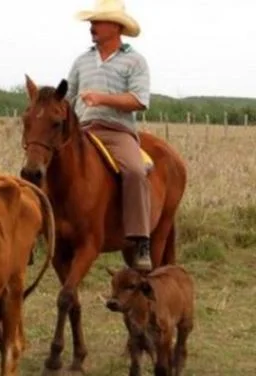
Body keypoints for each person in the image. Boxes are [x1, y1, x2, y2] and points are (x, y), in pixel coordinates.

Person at [65, 0, 152, 271]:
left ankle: (140, 241)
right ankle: (35, 230)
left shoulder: (135, 61)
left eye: (97, 22)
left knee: (136, 171)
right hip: (83, 130)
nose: (91, 27)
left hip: (117, 131)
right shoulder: (82, 60)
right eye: (91, 22)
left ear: (115, 27)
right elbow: (68, 99)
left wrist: (102, 98)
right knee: (44, 164)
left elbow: (139, 100)